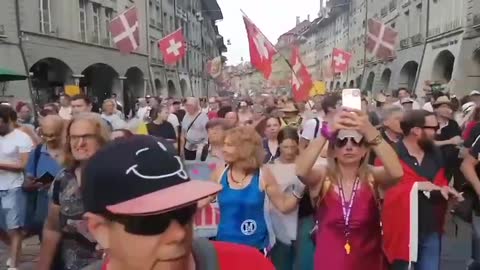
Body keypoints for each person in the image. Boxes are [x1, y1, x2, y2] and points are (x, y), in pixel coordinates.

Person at [81, 135, 275, 270]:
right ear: (100, 229)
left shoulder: (249, 265)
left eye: (185, 213)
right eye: (151, 222)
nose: (179, 233)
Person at [296, 108, 404, 270]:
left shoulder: (373, 177)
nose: (349, 146)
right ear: (333, 150)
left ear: (365, 150)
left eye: (356, 141)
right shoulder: (322, 177)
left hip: (368, 262)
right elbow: (301, 171)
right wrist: (326, 132)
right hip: (329, 262)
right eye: (341, 141)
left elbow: (396, 172)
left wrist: (369, 130)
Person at [383, 110, 463, 270]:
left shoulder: (436, 153)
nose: (438, 131)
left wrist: (447, 192)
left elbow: (440, 182)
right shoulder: (390, 154)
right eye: (434, 127)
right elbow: (382, 189)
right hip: (401, 231)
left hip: (431, 227)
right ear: (416, 130)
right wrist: (416, 186)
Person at [37, 112, 111, 270]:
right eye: (74, 137)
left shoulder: (117, 176)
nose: (80, 143)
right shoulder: (63, 179)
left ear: (101, 140)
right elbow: (52, 228)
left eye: (87, 137)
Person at [209, 126, 301, 252]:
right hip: (225, 247)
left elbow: (283, 206)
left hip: (256, 248)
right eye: (223, 145)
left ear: (245, 149)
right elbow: (200, 203)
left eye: (229, 145)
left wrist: (299, 190)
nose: (224, 149)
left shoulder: (263, 174)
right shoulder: (219, 174)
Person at [0, 105, 34, 270]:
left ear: (7, 121)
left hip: (13, 186)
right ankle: (15, 249)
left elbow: (23, 164)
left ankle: (13, 264)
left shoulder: (22, 137)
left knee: (13, 227)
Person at [268, 127, 305, 270]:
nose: (289, 151)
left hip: (302, 219)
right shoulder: (270, 167)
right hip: (279, 222)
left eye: (292, 147)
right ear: (279, 145)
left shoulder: (304, 165)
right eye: (285, 147)